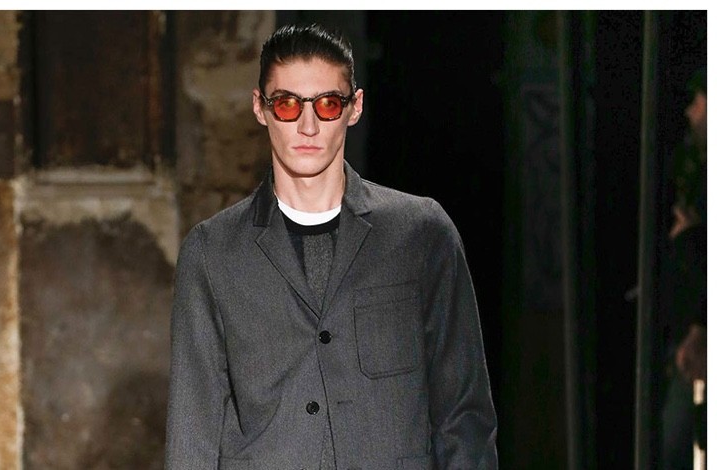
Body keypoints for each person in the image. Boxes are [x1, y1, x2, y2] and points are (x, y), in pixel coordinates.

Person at [165, 23, 498, 469]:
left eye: (327, 104)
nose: (307, 126)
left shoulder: (420, 234)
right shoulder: (213, 253)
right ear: (260, 108)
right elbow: (193, 431)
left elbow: (464, 415)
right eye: (287, 104)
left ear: (354, 107)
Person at [661, 67, 707, 470]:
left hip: (698, 331)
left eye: (699, 100)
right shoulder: (693, 165)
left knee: (679, 441)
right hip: (687, 330)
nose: (692, 112)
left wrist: (699, 327)